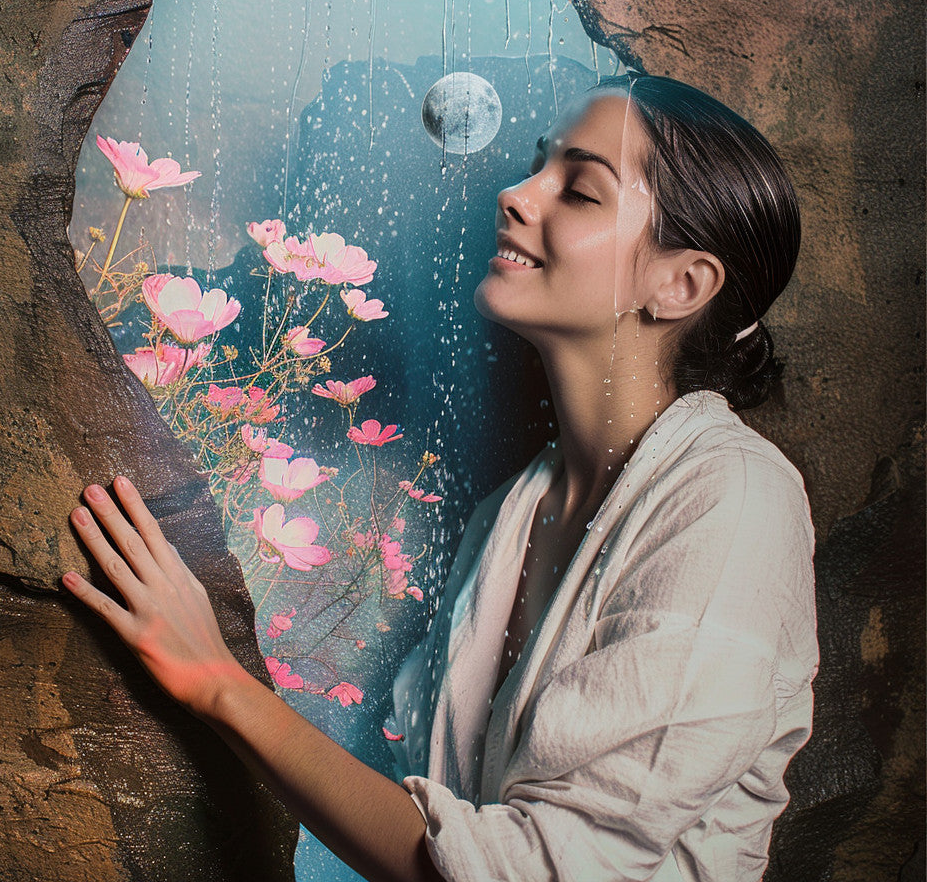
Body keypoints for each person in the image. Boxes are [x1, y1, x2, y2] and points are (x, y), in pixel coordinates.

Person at [62, 75, 818, 882]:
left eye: (581, 189)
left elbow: (533, 868)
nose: (517, 195)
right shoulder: (513, 514)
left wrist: (218, 684)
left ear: (681, 285)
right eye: (538, 164)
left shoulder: (735, 504)